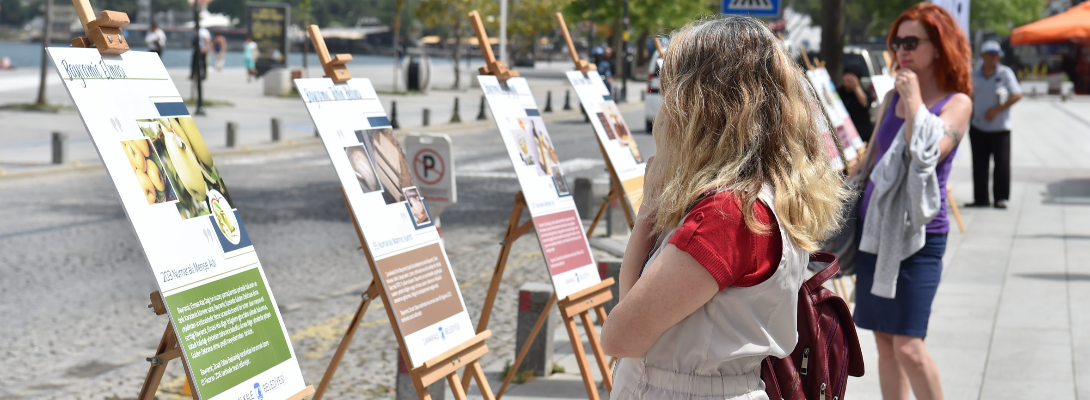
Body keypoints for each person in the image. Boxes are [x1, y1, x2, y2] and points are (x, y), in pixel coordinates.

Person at [600, 15, 850, 399]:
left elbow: (621, 336)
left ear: (700, 106)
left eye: (674, 92)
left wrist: (649, 211)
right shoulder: (765, 193)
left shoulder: (728, 214)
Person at [850, 4, 973, 400]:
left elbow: (928, 155)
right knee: (885, 342)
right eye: (897, 42)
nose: (902, 50)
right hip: (875, 232)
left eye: (912, 42)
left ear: (938, 47)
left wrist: (916, 102)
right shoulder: (889, 98)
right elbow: (871, 161)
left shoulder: (957, 103)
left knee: (909, 346)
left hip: (919, 238)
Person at [966, 40, 1021, 209]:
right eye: (990, 54)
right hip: (978, 126)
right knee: (979, 164)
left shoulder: (1005, 73)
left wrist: (997, 110)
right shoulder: (973, 75)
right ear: (983, 56)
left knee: (1002, 164)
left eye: (996, 55)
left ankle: (1001, 198)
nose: (993, 58)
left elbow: (1017, 94)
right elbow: (968, 95)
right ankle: (981, 198)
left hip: (1000, 127)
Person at [838, 65, 876, 141]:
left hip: (863, 132)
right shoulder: (839, 92)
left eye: (852, 76)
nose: (848, 78)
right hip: (846, 134)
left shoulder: (864, 92)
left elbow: (865, 103)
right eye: (846, 75)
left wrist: (856, 87)